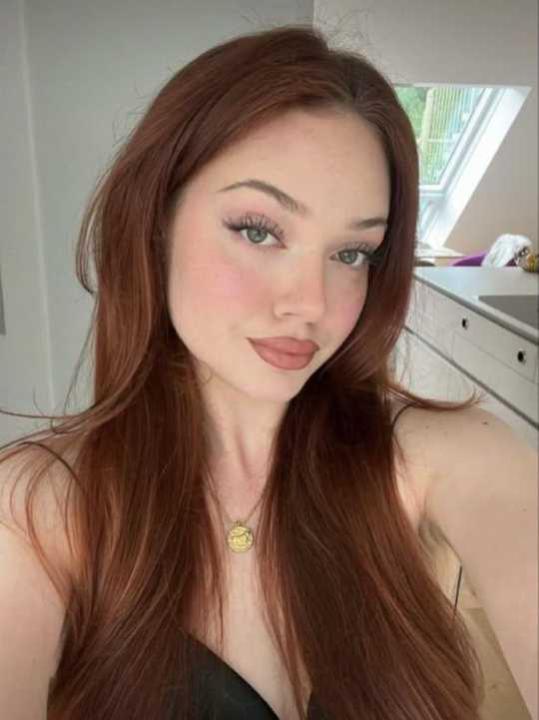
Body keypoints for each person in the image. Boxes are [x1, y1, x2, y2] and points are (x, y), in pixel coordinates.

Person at [0, 22, 536, 720]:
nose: (310, 304)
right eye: (258, 230)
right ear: (156, 224)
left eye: (351, 253)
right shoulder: (38, 509)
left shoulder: (440, 454)